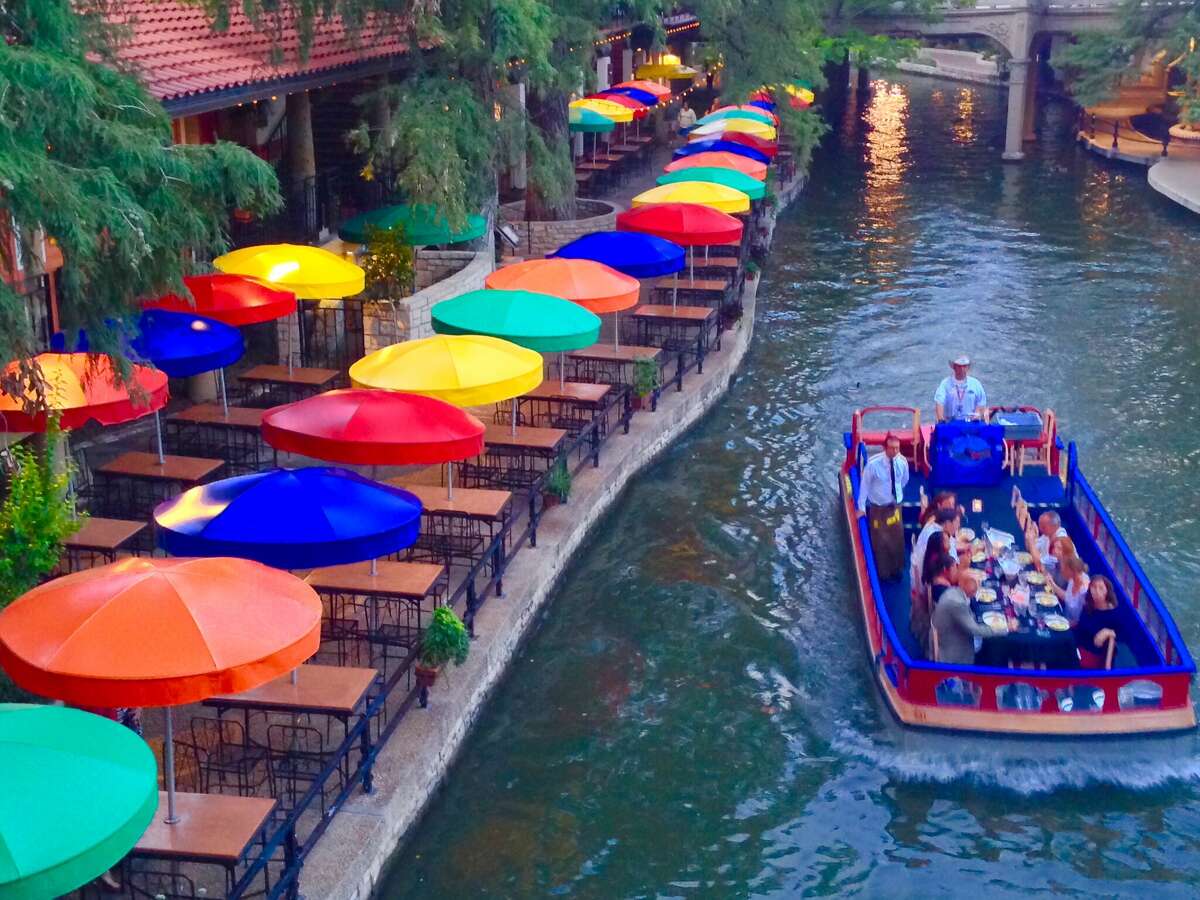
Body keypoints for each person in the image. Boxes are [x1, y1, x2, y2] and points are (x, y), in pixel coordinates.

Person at [857, 434, 909, 581]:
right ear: (884, 448)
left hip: (894, 507)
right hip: (878, 510)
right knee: (879, 541)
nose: (895, 451)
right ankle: (883, 573)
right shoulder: (873, 465)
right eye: (892, 448)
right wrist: (861, 507)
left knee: (897, 538)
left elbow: (904, 480)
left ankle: (897, 569)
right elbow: (865, 486)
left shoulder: (902, 462)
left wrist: (896, 496)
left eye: (897, 448)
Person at [931, 568, 1007, 664]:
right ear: (966, 585)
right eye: (975, 586)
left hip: (949, 636)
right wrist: (1005, 627)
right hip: (953, 651)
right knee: (995, 649)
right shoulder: (957, 604)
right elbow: (975, 630)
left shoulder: (953, 591)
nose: (977, 589)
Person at [1075, 575, 1123, 668]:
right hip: (1077, 645)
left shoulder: (1114, 615)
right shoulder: (1088, 606)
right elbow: (1080, 626)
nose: (1096, 591)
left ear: (1107, 591)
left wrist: (1108, 632)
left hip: (1091, 655)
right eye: (1093, 587)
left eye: (1101, 588)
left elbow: (1121, 636)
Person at [912, 507, 963, 589]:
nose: (959, 525)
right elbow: (954, 576)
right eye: (957, 522)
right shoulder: (937, 537)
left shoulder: (937, 532)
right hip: (934, 590)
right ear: (947, 523)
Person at [934, 355, 987, 422]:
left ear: (968, 368)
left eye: (964, 366)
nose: (962, 369)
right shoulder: (945, 384)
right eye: (959, 366)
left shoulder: (976, 384)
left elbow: (981, 402)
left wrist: (976, 416)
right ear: (954, 367)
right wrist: (941, 419)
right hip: (950, 423)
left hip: (970, 423)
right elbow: (939, 402)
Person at [1050, 554, 1090, 625]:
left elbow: (1081, 620)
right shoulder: (1072, 580)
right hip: (1063, 619)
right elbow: (1067, 597)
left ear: (1071, 571)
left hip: (1072, 628)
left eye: (1064, 568)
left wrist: (1065, 625)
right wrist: (1051, 583)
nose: (1062, 570)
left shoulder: (1085, 590)